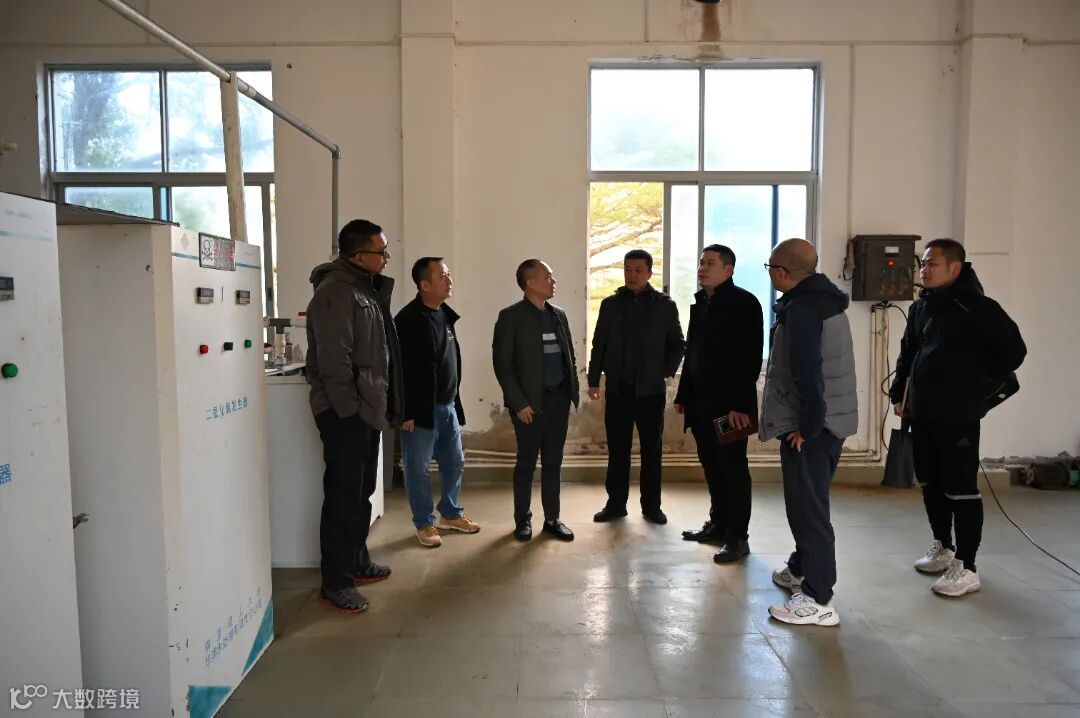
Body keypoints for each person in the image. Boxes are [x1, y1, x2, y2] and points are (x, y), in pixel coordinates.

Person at [890, 238, 1026, 597]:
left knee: (960, 487)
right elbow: (908, 354)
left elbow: (1014, 352)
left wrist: (973, 386)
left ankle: (967, 565)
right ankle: (943, 546)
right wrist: (899, 393)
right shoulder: (921, 308)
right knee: (930, 482)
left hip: (958, 415)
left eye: (932, 263)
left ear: (954, 267)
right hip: (923, 411)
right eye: (923, 263)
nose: (924, 269)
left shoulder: (979, 308)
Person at [305, 219, 403, 613]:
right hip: (346, 413)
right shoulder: (335, 292)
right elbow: (333, 360)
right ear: (359, 256)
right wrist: (350, 411)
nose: (387, 256)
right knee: (343, 499)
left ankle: (357, 563)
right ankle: (337, 582)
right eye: (382, 251)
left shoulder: (365, 289)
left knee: (360, 495)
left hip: (366, 409)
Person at [760, 238, 858, 627]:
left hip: (815, 427)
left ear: (782, 272)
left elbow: (809, 374)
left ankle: (817, 597)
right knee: (810, 501)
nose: (771, 274)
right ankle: (800, 568)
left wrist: (808, 428)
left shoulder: (803, 310)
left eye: (771, 267)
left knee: (808, 509)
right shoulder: (825, 300)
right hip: (832, 421)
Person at [674, 245, 763, 563]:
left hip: (731, 407)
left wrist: (739, 405)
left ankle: (738, 537)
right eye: (701, 262)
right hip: (701, 403)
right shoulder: (701, 303)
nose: (702, 267)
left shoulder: (745, 303)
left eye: (710, 263)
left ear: (728, 270)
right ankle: (718, 525)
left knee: (733, 470)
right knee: (711, 465)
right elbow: (692, 354)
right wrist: (683, 395)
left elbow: (750, 358)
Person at [588, 249, 685, 525]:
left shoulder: (664, 306)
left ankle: (652, 507)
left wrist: (663, 372)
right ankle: (615, 505)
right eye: (628, 270)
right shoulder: (610, 305)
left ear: (649, 273)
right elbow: (599, 345)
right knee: (618, 450)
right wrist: (593, 380)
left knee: (651, 451)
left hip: (650, 392)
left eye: (638, 270)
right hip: (618, 389)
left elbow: (678, 343)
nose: (632, 275)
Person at [395, 257, 481, 548]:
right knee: (417, 469)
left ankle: (450, 514)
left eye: (449, 274)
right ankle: (424, 523)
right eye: (443, 276)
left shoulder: (444, 314)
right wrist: (405, 411)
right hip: (420, 410)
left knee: (454, 462)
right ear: (425, 284)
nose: (449, 280)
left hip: (448, 406)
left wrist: (455, 400)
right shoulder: (407, 320)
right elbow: (399, 370)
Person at [492, 259, 579, 542]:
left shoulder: (558, 315)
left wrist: (571, 393)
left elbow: (569, 356)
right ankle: (522, 520)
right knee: (526, 464)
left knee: (553, 462)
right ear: (530, 283)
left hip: (558, 401)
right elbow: (503, 365)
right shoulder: (511, 317)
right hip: (529, 405)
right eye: (548, 277)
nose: (553, 281)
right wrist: (518, 403)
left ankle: (552, 519)